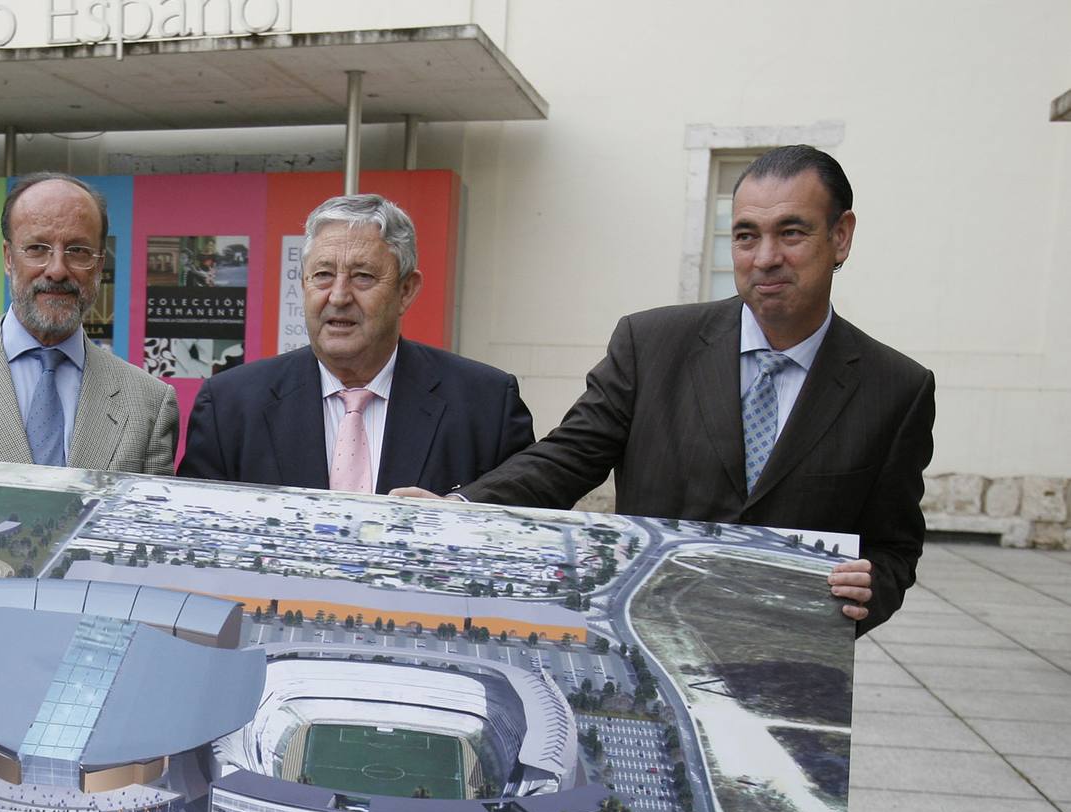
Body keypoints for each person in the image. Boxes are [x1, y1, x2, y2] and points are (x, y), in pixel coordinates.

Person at [397, 146, 933, 635]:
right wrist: (460, 508)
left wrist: (870, 590)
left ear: (840, 235)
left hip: (790, 657)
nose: (765, 257)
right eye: (745, 235)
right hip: (647, 644)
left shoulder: (895, 390)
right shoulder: (652, 345)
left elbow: (893, 549)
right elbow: (567, 458)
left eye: (791, 233)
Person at [177, 193, 534, 494]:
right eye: (323, 275)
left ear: (406, 291)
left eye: (363, 276)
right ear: (303, 284)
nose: (338, 296)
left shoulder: (486, 405)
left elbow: (525, 539)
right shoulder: (231, 406)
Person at [0, 173, 178, 474]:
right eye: (37, 248)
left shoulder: (149, 403)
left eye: (78, 250)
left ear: (100, 265)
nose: (56, 270)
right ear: (8, 258)